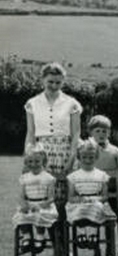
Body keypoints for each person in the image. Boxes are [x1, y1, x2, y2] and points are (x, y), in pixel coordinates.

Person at [24, 62, 82, 207]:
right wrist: (28, 156)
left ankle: (61, 229)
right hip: (41, 153)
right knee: (42, 194)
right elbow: (30, 132)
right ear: (42, 79)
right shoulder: (32, 103)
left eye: (58, 82)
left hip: (64, 151)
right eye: (50, 82)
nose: (54, 86)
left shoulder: (71, 103)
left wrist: (72, 157)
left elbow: (76, 133)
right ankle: (46, 228)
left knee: (63, 195)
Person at [65, 140, 117, 249]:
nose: (88, 160)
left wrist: (95, 199)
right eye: (84, 157)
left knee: (97, 207)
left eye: (91, 157)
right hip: (79, 202)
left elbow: (105, 196)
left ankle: (93, 233)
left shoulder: (102, 175)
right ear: (79, 157)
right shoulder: (73, 176)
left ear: (96, 157)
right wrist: (80, 199)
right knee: (79, 208)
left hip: (96, 202)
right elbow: (70, 197)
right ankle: (82, 233)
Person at [12, 144, 58, 253]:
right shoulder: (24, 178)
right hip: (29, 204)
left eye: (37, 161)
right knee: (21, 216)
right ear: (26, 162)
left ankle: (40, 237)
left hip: (43, 204)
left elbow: (51, 198)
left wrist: (40, 206)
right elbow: (21, 195)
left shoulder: (49, 178)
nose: (34, 164)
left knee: (40, 215)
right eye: (30, 162)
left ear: (43, 161)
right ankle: (27, 237)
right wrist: (23, 205)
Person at [85, 115, 118, 200]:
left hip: (110, 186)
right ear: (91, 132)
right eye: (97, 131)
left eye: (104, 131)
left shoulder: (115, 150)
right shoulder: (86, 148)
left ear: (109, 133)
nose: (101, 134)